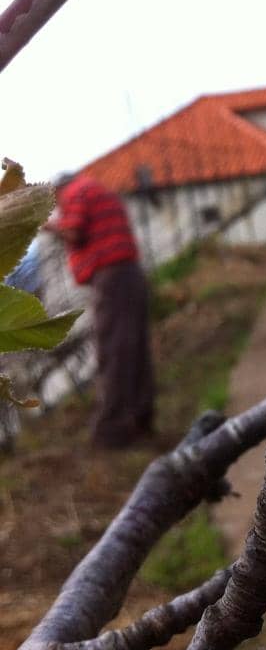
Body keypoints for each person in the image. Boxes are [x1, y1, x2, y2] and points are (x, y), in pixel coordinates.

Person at [48, 173, 154, 449]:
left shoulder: (75, 193)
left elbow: (73, 231)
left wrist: (45, 225)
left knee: (113, 351)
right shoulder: (96, 188)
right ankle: (140, 421)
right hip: (129, 274)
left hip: (112, 279)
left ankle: (112, 433)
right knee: (134, 348)